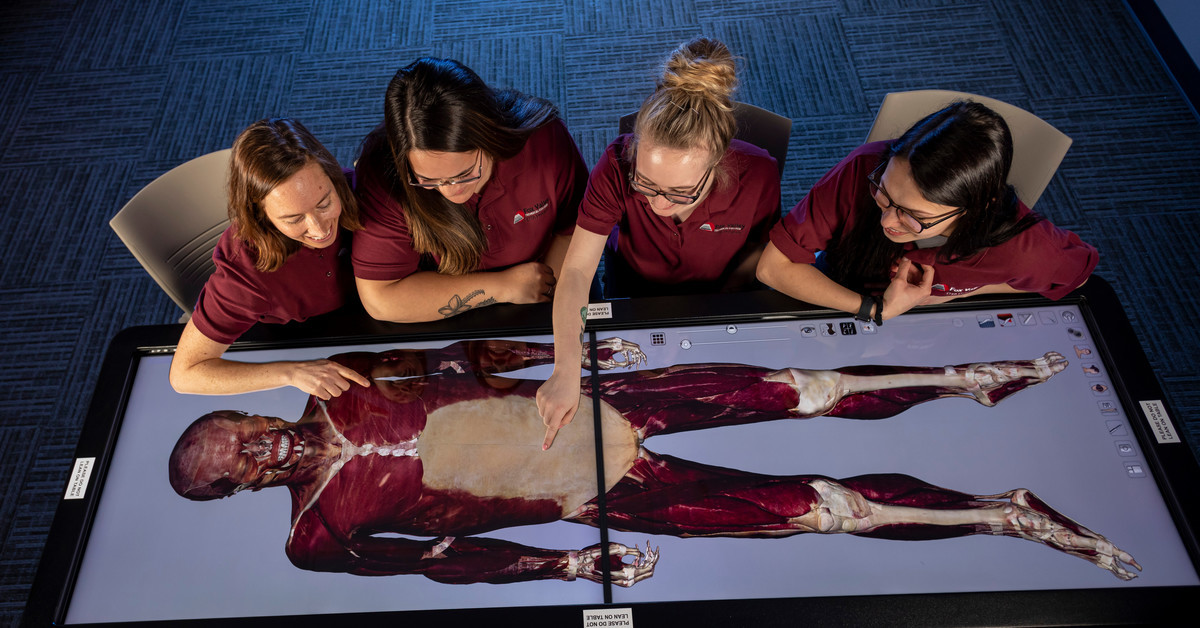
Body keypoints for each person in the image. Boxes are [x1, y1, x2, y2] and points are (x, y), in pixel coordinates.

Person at [168, 341, 1139, 585]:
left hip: (597, 403)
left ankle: (971, 375)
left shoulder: (331, 381)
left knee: (809, 384)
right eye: (237, 461)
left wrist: (569, 358)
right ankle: (1006, 514)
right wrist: (558, 566)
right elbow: (432, 562)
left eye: (242, 426)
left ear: (254, 406)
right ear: (233, 491)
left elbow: (454, 362)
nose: (256, 445)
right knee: (823, 510)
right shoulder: (315, 535)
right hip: (590, 491)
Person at [538, 38, 780, 438]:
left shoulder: (759, 172)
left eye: (681, 192)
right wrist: (565, 368)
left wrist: (719, 316)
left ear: (719, 162)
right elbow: (578, 270)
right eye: (646, 184)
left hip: (715, 299)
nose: (658, 204)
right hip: (633, 291)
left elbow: (758, 251)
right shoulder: (617, 161)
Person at [757, 101, 1097, 324]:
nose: (886, 220)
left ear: (975, 210)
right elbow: (774, 267)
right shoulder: (864, 166)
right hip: (838, 295)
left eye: (912, 214)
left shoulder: (1026, 249)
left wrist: (963, 292)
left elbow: (1076, 277)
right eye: (884, 192)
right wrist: (876, 309)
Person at [352, 57, 588, 322]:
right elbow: (381, 299)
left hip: (545, 286)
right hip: (442, 308)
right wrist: (503, 287)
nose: (450, 191)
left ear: (489, 136)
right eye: (429, 180)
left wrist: (545, 300)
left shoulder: (543, 140)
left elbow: (576, 230)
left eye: (464, 174)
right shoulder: (384, 174)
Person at [169, 118, 370, 399]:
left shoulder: (361, 191)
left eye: (324, 203)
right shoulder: (245, 268)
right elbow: (185, 374)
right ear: (261, 215)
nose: (320, 228)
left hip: (374, 322)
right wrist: (291, 372)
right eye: (294, 218)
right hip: (302, 340)